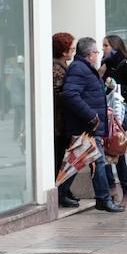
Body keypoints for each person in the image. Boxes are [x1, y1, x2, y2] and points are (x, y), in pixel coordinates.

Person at [60, 36, 123, 213]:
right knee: (98, 162)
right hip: (86, 127)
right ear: (89, 54)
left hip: (89, 126)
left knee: (76, 162)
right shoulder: (79, 69)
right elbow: (70, 94)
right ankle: (103, 199)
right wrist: (92, 116)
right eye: (96, 52)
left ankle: (61, 192)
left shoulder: (85, 68)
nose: (98, 54)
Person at [100, 34, 127, 208]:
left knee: (118, 153)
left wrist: (116, 86)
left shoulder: (125, 66)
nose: (103, 49)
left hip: (120, 115)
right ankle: (111, 188)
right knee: (106, 151)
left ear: (115, 48)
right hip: (107, 114)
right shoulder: (106, 65)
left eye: (106, 45)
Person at [51, 32, 78, 208]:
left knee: (64, 156)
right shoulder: (56, 69)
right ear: (63, 51)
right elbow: (58, 96)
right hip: (59, 122)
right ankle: (60, 191)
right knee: (61, 157)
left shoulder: (62, 67)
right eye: (71, 48)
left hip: (62, 121)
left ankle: (64, 190)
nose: (73, 52)